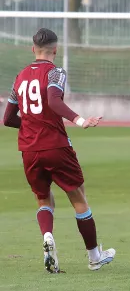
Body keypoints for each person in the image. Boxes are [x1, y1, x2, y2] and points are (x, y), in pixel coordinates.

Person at [2, 28, 116, 272]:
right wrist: (81, 120)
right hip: (55, 145)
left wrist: (32, 124)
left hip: (29, 150)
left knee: (43, 198)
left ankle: (47, 236)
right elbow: (54, 100)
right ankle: (95, 257)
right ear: (56, 49)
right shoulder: (56, 72)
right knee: (78, 198)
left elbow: (8, 119)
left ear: (32, 49)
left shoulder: (20, 77)